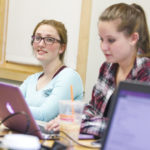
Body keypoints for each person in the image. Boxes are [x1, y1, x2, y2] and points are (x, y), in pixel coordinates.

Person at [45, 3, 150, 137]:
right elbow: (94, 109)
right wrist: (70, 118)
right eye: (101, 39)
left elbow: (127, 127)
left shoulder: (145, 71)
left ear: (133, 38)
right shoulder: (107, 68)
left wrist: (79, 124)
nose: (103, 47)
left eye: (111, 40)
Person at [20, 19, 83, 122]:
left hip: (55, 137)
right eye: (37, 38)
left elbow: (45, 115)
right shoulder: (31, 79)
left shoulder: (69, 77)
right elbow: (10, 103)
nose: (40, 44)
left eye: (49, 39)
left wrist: (13, 110)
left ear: (62, 48)